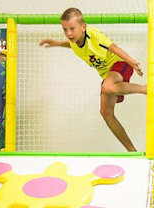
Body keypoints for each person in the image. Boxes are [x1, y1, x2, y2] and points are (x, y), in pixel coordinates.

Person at [39, 7, 147, 152]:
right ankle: (132, 150)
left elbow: (113, 47)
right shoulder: (74, 41)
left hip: (120, 64)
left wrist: (131, 61)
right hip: (108, 74)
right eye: (65, 29)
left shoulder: (94, 35)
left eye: (72, 29)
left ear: (83, 27)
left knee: (108, 87)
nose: (68, 33)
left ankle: (145, 89)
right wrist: (57, 43)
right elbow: (71, 44)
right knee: (105, 112)